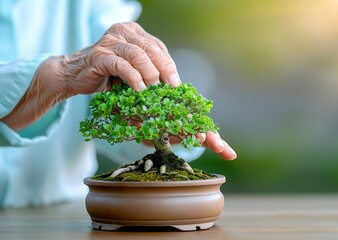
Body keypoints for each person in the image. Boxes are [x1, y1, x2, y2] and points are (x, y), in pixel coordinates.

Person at [0, 0, 236, 208]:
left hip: (63, 217)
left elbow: (110, 66)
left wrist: (153, 120)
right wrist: (61, 73)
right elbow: (83, 68)